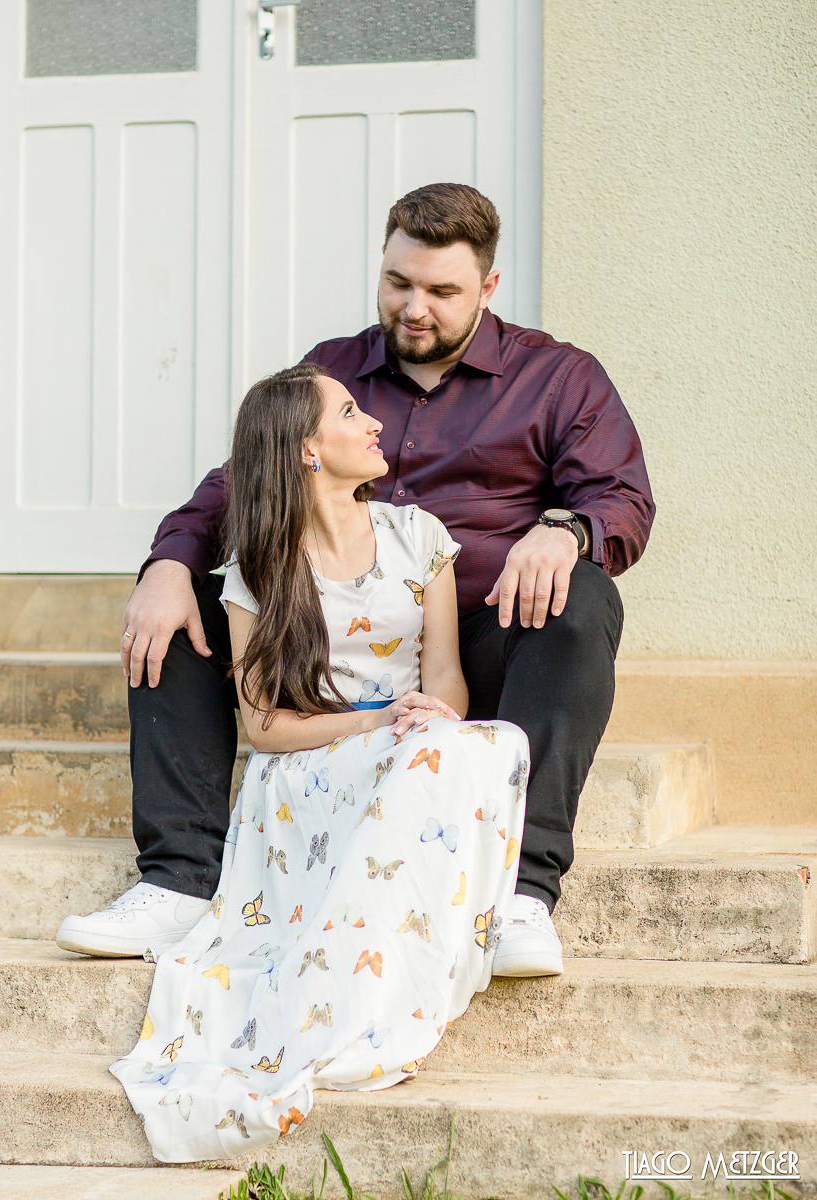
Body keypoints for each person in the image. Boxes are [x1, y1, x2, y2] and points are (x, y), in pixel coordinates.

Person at [57, 183, 655, 977]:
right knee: (184, 610)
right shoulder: (332, 374)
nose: (414, 308)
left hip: (471, 636)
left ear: (488, 287)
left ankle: (521, 894)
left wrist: (566, 530)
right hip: (324, 640)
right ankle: (178, 883)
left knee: (581, 599)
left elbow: (621, 500)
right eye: (397, 282)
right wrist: (168, 562)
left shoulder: (557, 378)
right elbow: (239, 486)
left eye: (442, 291)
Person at [109, 363, 529, 1160]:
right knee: (432, 758)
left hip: (411, 744)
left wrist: (428, 716)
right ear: (308, 450)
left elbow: (444, 678)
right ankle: (340, 1003)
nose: (374, 422)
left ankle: (423, 951)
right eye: (348, 411)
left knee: (491, 743)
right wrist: (374, 722)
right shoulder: (259, 572)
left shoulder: (419, 538)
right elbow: (265, 726)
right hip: (310, 764)